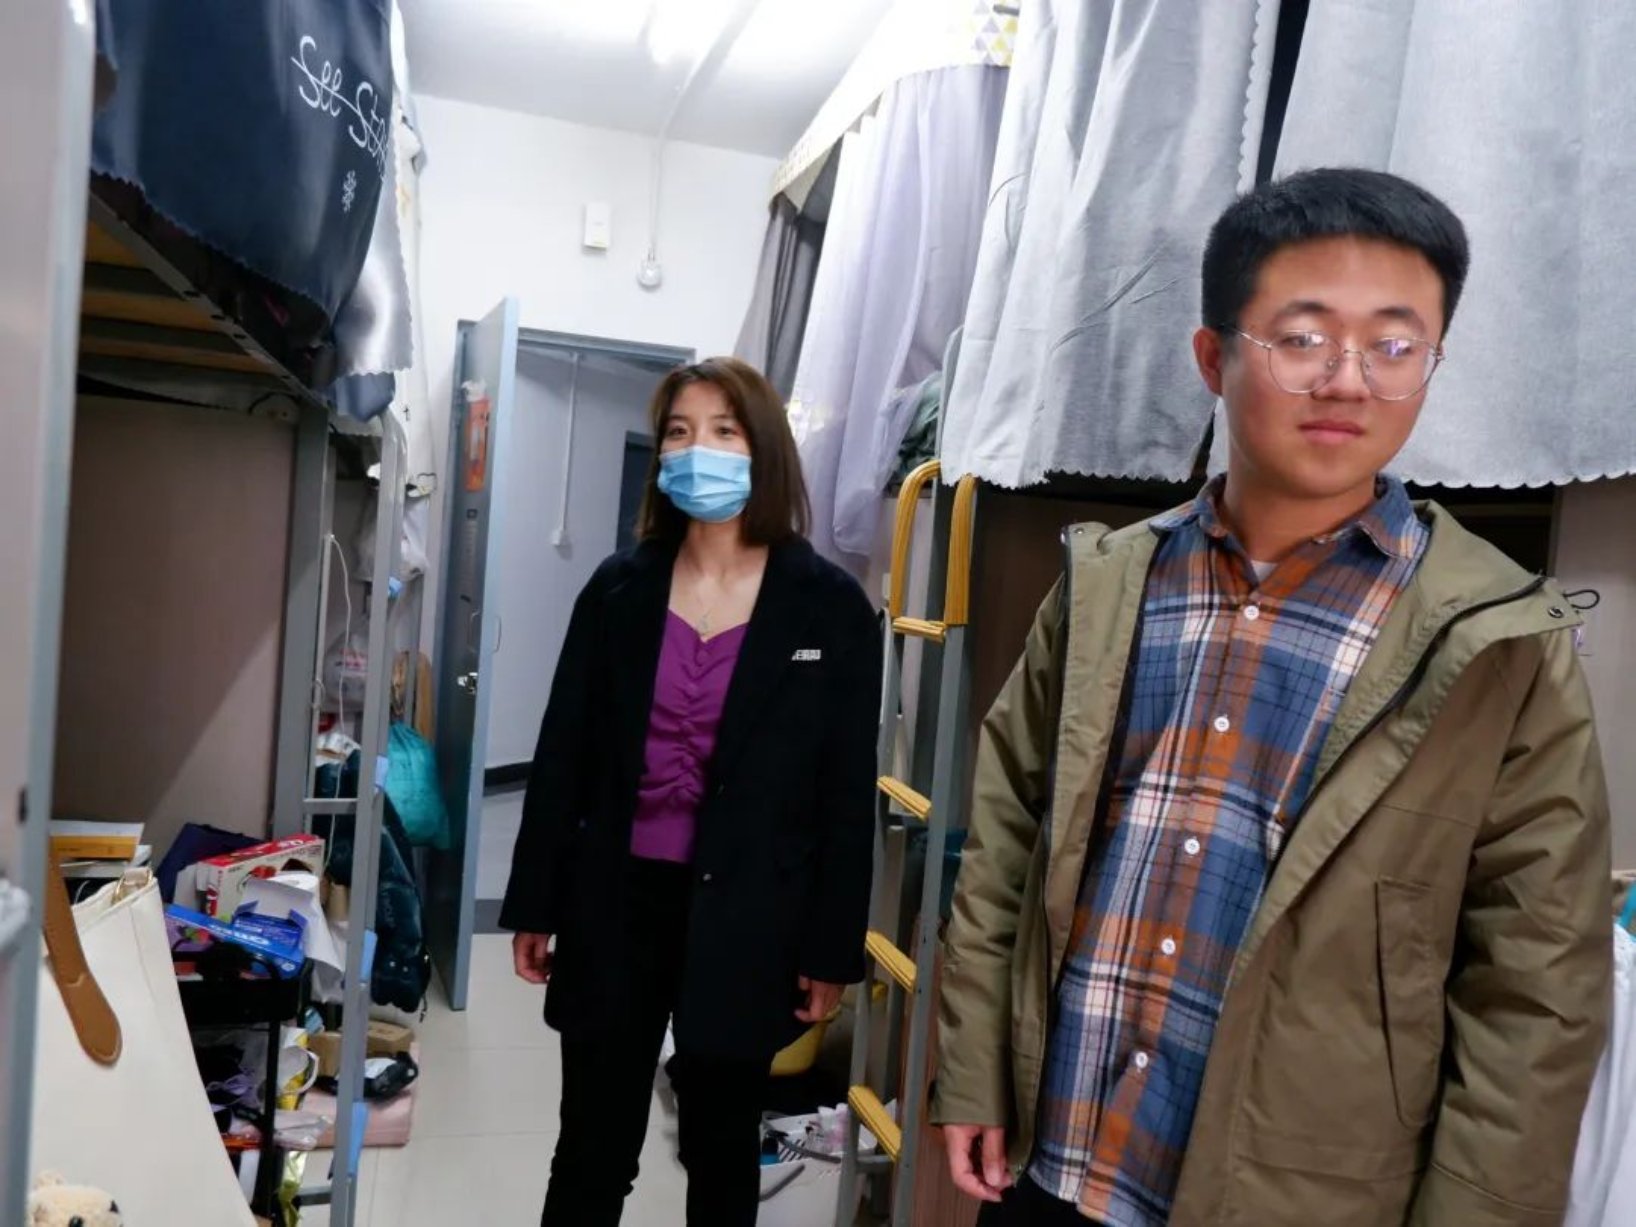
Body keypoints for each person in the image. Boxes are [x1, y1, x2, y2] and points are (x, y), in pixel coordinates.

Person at [935, 168, 1612, 1226]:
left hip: (1303, 1193)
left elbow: (1538, 983)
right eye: (1302, 338)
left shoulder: (1497, 642)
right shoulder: (1111, 584)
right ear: (1214, 357)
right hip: (1059, 1155)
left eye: (1395, 346)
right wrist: (976, 1067)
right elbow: (1007, 841)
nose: (1349, 381)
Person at [501, 357, 881, 1227]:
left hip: (750, 913)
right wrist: (536, 902)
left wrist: (831, 947)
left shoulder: (827, 607)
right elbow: (563, 756)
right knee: (591, 1151)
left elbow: (844, 792)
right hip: (615, 903)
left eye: (722, 430)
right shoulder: (617, 590)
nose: (695, 448)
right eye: (678, 431)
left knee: (720, 1155)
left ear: (762, 449)